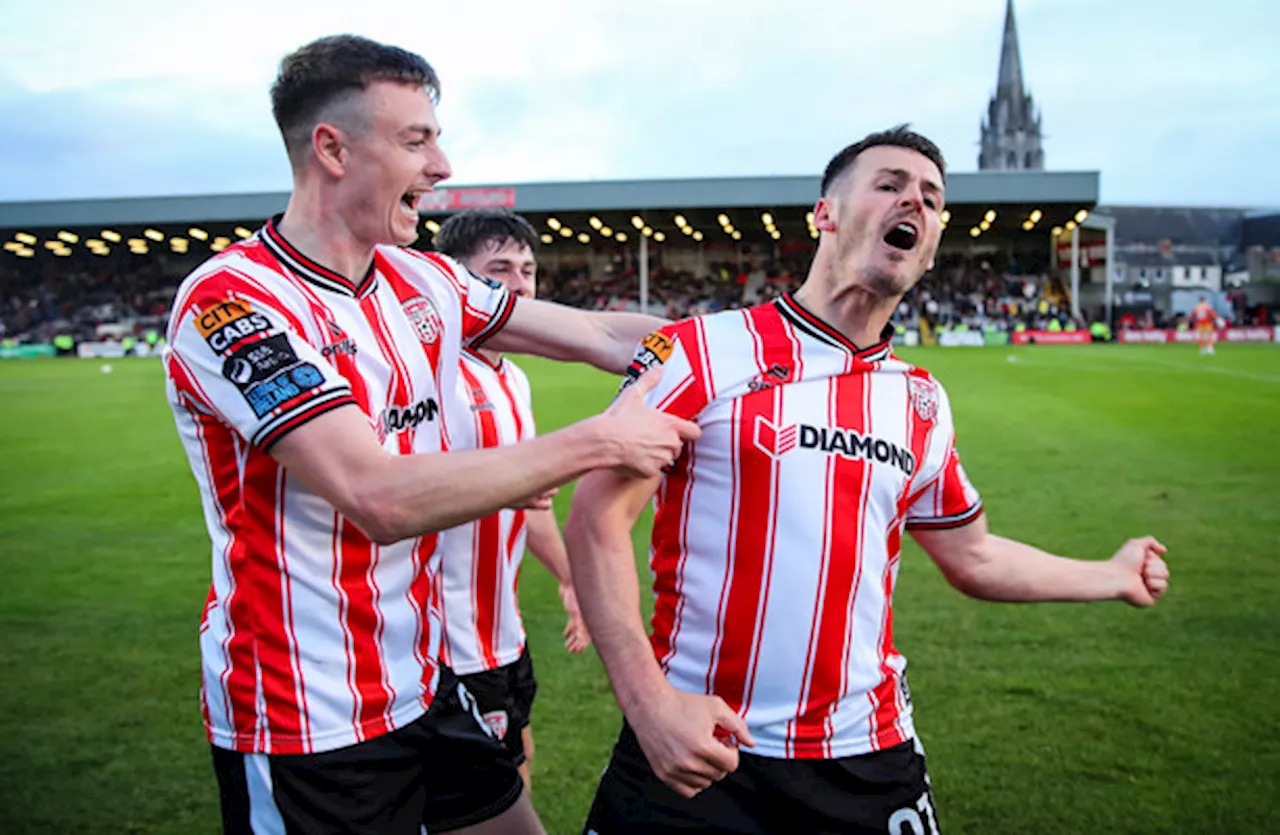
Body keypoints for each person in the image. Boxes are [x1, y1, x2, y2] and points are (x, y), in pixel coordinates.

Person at [564, 125, 1171, 834]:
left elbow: (972, 556)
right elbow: (597, 519)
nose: (914, 198)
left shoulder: (920, 402)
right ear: (825, 213)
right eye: (890, 183)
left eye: (932, 198)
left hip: (867, 756)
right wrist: (649, 705)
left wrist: (1113, 573)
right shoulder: (705, 348)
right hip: (697, 744)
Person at [163, 34, 698, 835]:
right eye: (417, 140)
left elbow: (604, 336)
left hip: (427, 676)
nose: (442, 165)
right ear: (332, 149)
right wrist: (600, 440)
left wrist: (767, 347)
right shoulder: (233, 301)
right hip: (308, 713)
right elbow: (375, 495)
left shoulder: (425, 277)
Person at [428, 208, 590, 807]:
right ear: (454, 279)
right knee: (479, 809)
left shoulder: (513, 377)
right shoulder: (430, 376)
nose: (522, 287)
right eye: (500, 271)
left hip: (504, 635)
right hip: (446, 644)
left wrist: (572, 579)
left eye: (528, 270)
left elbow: (532, 500)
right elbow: (395, 496)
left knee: (519, 770)